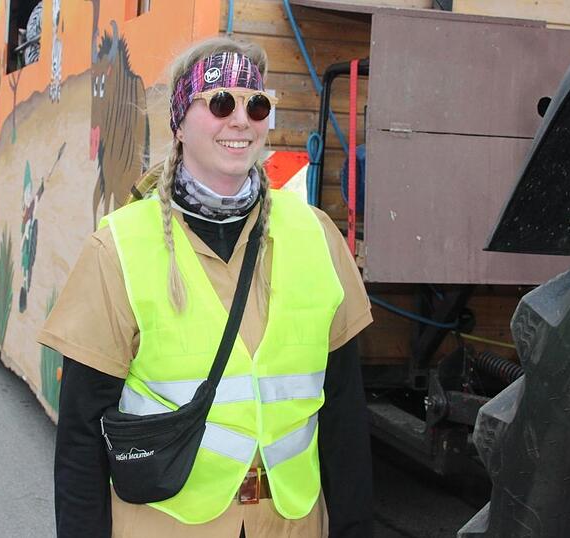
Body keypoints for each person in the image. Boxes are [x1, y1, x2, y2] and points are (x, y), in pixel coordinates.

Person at [39, 38, 374, 538]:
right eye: (220, 103)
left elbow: (345, 410)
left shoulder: (317, 236)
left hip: (291, 525)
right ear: (179, 123)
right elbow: (82, 435)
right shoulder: (119, 248)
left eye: (255, 105)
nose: (240, 120)